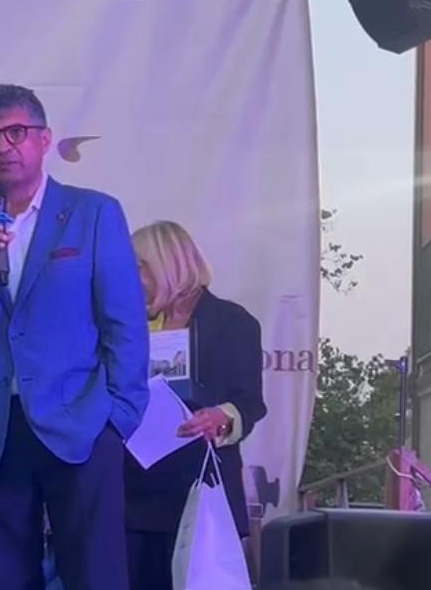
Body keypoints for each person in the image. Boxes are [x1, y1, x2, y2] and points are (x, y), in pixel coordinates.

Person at [0, 84, 149, 590]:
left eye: (15, 132)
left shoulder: (93, 214)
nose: (2, 146)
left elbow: (125, 325)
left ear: (44, 140)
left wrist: (118, 420)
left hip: (82, 425)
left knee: (96, 578)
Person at [123, 220, 267, 590]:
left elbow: (249, 401)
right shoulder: (130, 325)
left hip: (200, 489)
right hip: (136, 491)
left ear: (166, 264)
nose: (132, 277)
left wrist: (221, 417)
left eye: (140, 266)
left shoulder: (232, 322)